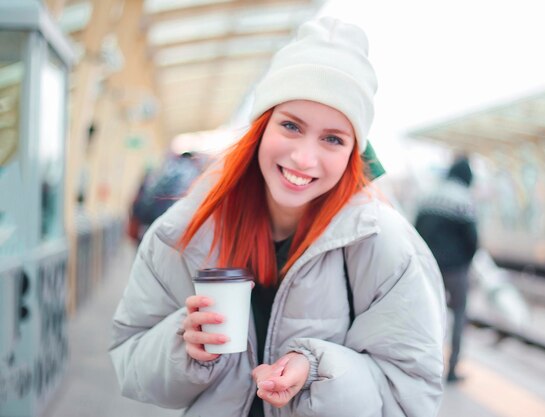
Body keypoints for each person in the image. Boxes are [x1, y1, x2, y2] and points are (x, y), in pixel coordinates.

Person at [109, 17, 446, 417]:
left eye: (333, 139)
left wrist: (317, 373)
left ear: (354, 153)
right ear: (261, 127)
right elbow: (129, 358)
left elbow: (412, 397)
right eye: (290, 126)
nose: (304, 158)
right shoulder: (186, 230)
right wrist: (184, 345)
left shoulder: (383, 244)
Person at [414, 156, 478, 383]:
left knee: (425, 316)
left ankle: (421, 367)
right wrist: (464, 263)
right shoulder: (464, 199)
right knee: (459, 314)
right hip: (455, 270)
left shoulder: (429, 195)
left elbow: (414, 231)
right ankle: (451, 369)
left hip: (427, 267)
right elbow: (473, 240)